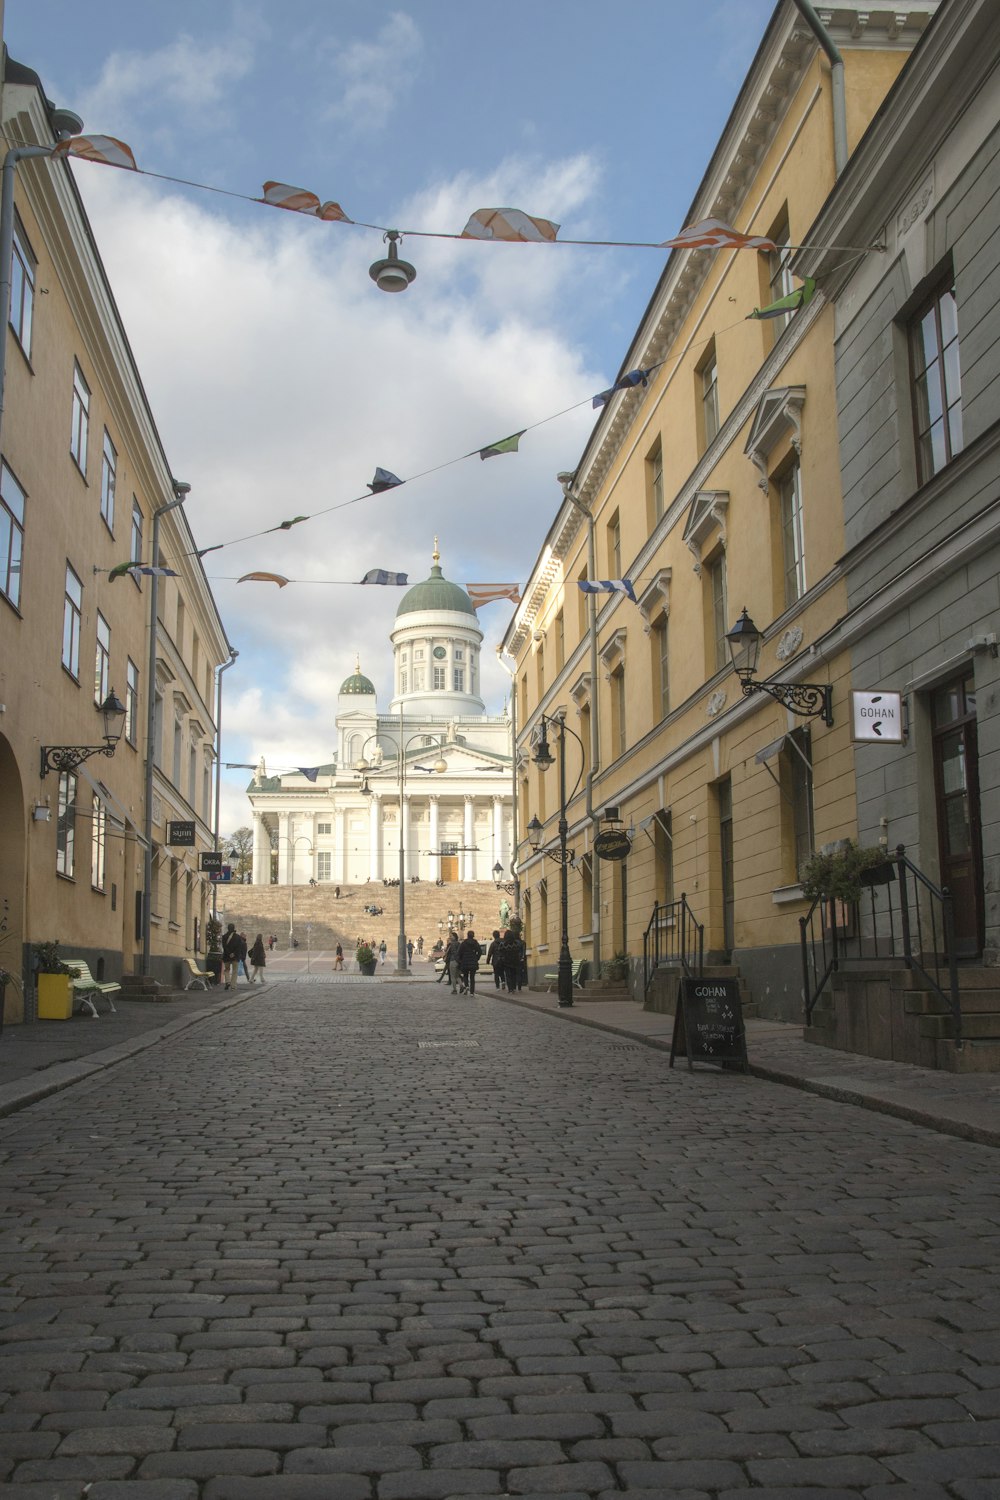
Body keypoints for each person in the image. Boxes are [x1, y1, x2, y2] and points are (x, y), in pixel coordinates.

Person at [457, 930, 480, 995]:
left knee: (465, 975)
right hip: (473, 961)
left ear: (467, 935)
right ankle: (472, 992)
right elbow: (480, 951)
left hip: (465, 961)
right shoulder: (475, 943)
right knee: (472, 977)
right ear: (473, 936)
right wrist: (476, 958)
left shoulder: (464, 943)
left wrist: (461, 960)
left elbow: (459, 952)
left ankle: (467, 986)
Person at [222, 924, 242, 989]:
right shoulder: (238, 937)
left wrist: (229, 953)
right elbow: (239, 947)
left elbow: (224, 947)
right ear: (234, 928)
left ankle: (227, 981)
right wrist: (234, 953)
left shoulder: (224, 936)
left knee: (226, 970)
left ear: (228, 928)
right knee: (234, 971)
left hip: (227, 956)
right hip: (235, 957)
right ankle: (233, 986)